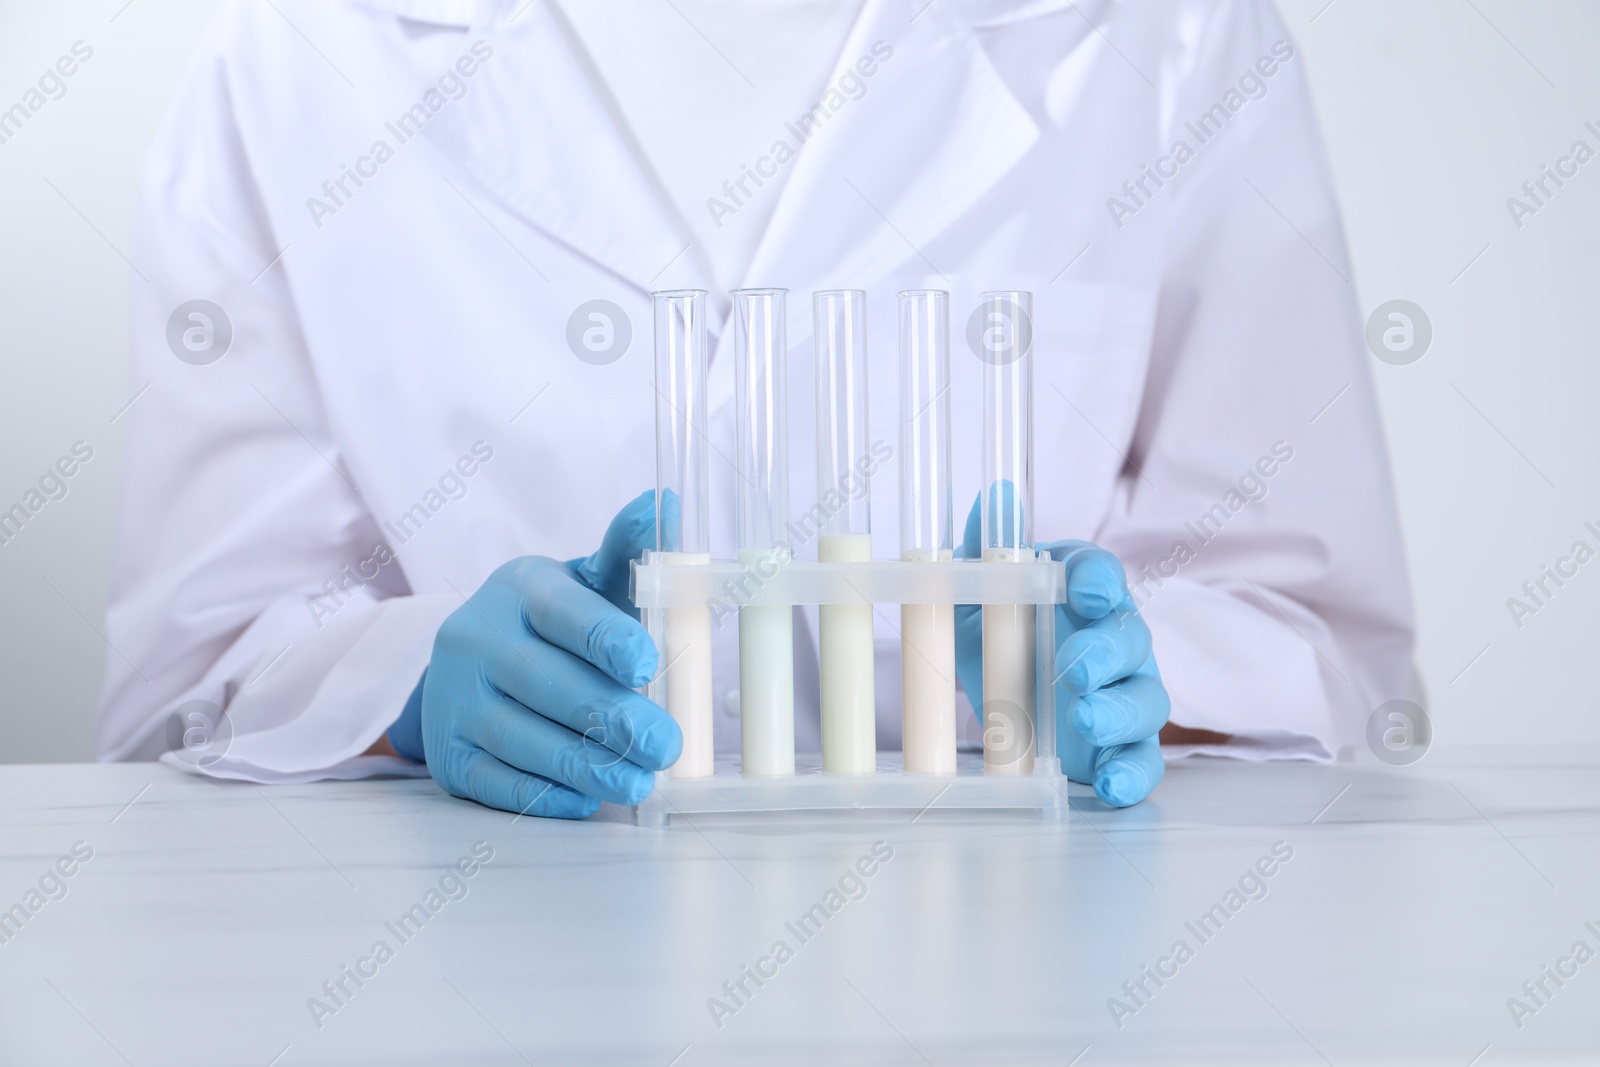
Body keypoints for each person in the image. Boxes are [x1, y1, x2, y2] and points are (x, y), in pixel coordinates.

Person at [95, 0, 1413, 815]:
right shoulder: (300, 50)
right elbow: (189, 683)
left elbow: (1330, 648)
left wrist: (1127, 689)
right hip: (494, 984)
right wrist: (415, 693)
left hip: (1023, 981)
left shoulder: (1164, 35)